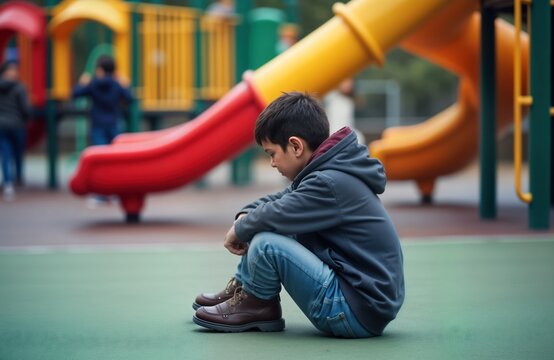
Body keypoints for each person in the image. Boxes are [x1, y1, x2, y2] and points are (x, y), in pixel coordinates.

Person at [192, 92, 404, 338]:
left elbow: (277, 213)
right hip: (362, 304)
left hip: (354, 310)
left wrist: (239, 230)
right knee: (262, 222)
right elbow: (279, 201)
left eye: (272, 153)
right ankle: (247, 291)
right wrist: (245, 215)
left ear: (295, 146)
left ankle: (257, 305)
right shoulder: (326, 171)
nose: (272, 163)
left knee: (265, 241)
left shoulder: (328, 182)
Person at [72, 55, 133, 147]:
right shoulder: (117, 85)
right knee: (115, 153)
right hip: (114, 123)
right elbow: (129, 98)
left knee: (101, 153)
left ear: (100, 70)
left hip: (97, 124)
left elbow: (76, 94)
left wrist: (81, 83)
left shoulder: (93, 84)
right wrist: (126, 85)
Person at [0, 60, 30, 200]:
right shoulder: (19, 88)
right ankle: (18, 177)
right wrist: (25, 119)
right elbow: (24, 108)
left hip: (2, 125)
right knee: (18, 152)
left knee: (5, 154)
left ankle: (8, 183)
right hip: (17, 124)